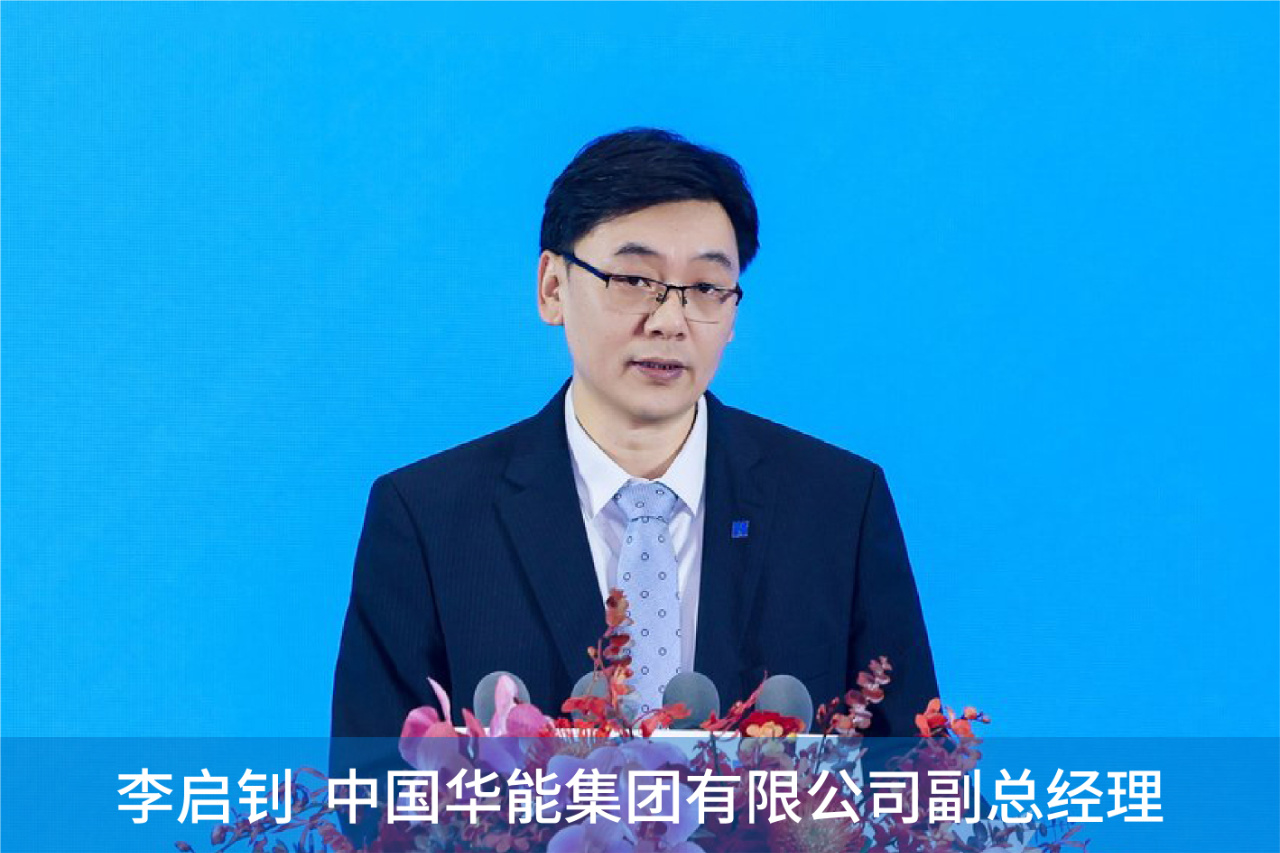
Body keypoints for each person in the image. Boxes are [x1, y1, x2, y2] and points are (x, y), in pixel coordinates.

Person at [330, 127, 939, 783]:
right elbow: (372, 796)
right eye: (633, 279)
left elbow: (918, 783)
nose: (670, 320)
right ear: (552, 287)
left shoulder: (838, 506)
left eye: (706, 287)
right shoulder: (427, 518)